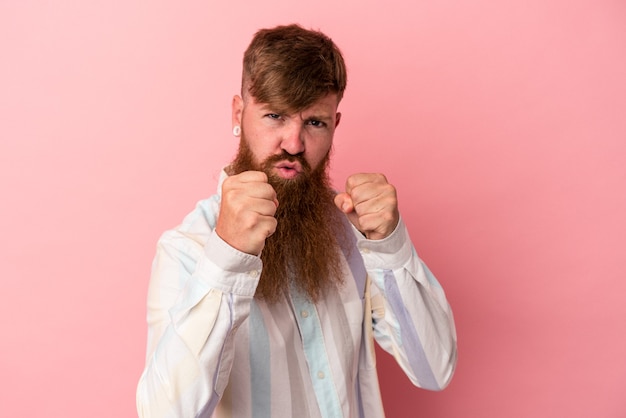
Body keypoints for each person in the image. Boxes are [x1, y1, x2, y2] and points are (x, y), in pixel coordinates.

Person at [136, 24, 457, 418]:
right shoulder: (188, 248)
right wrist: (227, 257)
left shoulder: (354, 235)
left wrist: (391, 246)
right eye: (274, 115)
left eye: (314, 122)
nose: (294, 143)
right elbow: (166, 413)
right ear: (239, 113)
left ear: (335, 125)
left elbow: (435, 368)